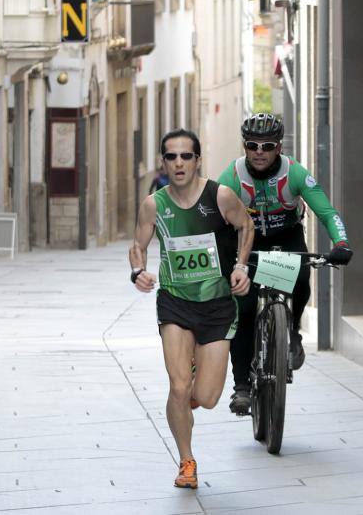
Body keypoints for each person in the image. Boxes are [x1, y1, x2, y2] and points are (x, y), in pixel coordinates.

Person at [129, 128, 254, 489]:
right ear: (163, 162)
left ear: (198, 160)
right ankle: (187, 461)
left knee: (207, 397)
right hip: (175, 303)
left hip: (217, 305)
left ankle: (196, 371)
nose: (179, 163)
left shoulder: (220, 196)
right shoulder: (154, 204)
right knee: (179, 387)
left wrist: (241, 267)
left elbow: (246, 225)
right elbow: (138, 245)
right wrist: (138, 271)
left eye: (186, 156)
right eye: (172, 156)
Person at [216, 113, 353, 415]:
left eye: (267, 146)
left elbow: (327, 213)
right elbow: (213, 218)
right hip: (249, 244)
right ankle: (241, 387)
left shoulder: (295, 173)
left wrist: (341, 243)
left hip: (286, 238)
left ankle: (292, 330)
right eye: (252, 145)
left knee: (301, 280)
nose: (259, 152)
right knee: (244, 310)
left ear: (279, 147)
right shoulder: (232, 176)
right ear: (244, 146)